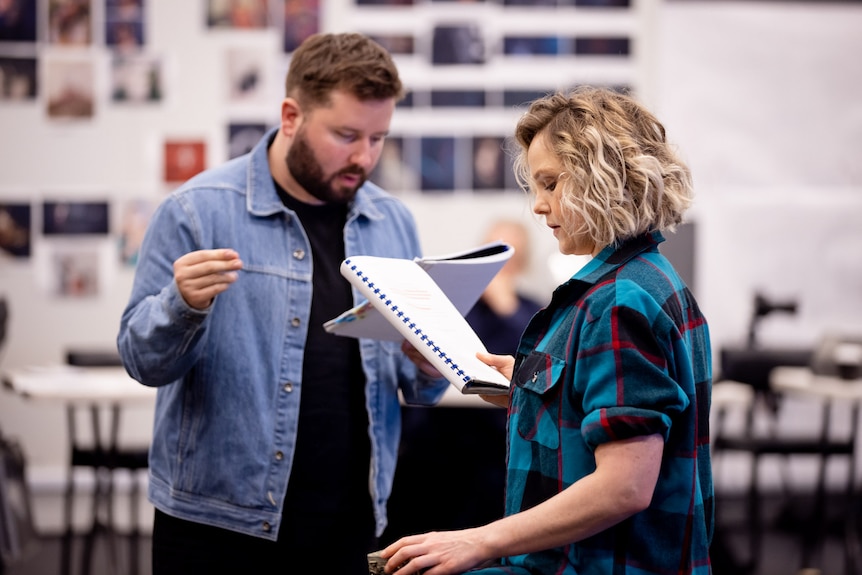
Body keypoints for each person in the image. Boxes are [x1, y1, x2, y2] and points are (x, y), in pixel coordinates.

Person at [116, 32, 448, 574]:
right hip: (216, 525)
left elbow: (418, 390)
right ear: (291, 116)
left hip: (352, 519)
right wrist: (181, 305)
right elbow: (141, 360)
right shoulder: (197, 211)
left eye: (378, 138)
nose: (364, 157)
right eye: (345, 135)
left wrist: (429, 366)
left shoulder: (393, 222)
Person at [382, 86, 713, 574]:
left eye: (551, 184)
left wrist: (479, 540)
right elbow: (600, 402)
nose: (538, 206)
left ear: (605, 177)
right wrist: (524, 384)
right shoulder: (646, 279)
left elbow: (625, 485)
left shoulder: (618, 302)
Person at [466, 219, 544, 356]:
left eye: (509, 258)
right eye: (490, 253)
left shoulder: (535, 312)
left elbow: (538, 356)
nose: (497, 265)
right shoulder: (461, 304)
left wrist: (508, 309)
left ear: (521, 265)